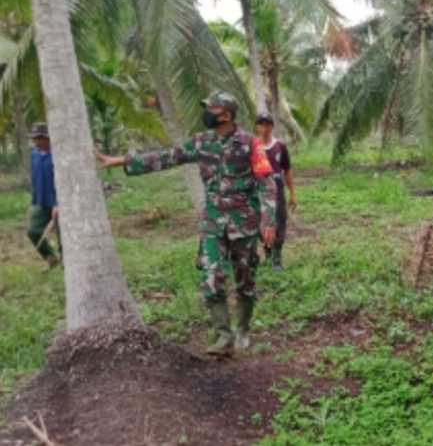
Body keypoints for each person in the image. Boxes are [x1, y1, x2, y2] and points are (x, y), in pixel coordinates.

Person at [96, 92, 277, 355]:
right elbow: (169, 156)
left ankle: (242, 331)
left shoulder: (250, 144)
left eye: (210, 108)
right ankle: (223, 337)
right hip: (213, 225)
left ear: (225, 114)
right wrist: (123, 160)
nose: (206, 112)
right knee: (211, 278)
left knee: (245, 282)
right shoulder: (201, 142)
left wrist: (269, 220)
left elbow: (267, 182)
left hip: (244, 225)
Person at [254, 114, 297, 271]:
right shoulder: (253, 147)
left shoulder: (280, 147)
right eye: (261, 125)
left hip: (278, 195)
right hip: (258, 195)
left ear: (272, 126)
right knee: (261, 226)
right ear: (257, 127)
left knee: (279, 225)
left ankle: (277, 259)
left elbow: (287, 170)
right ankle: (268, 254)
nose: (265, 128)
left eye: (268, 124)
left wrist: (292, 193)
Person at [26, 123, 60, 270]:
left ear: (48, 138)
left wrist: (58, 203)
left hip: (58, 202)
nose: (37, 141)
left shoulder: (58, 154)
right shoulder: (34, 154)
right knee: (33, 231)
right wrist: (34, 198)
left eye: (41, 138)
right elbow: (34, 176)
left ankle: (67, 264)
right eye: (35, 138)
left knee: (63, 236)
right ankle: (50, 257)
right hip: (40, 201)